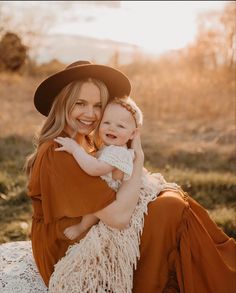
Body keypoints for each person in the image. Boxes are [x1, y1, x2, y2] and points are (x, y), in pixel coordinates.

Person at [0, 60, 235, 293]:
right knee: (169, 209)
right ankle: (218, 276)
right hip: (67, 247)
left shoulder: (87, 140)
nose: (90, 114)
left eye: (98, 105)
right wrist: (139, 156)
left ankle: (214, 271)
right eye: (80, 103)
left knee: (172, 202)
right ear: (63, 104)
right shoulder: (60, 151)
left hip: (89, 228)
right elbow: (118, 218)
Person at [54, 96, 143, 241]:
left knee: (93, 208)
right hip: (103, 189)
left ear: (132, 134)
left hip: (111, 195)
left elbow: (95, 169)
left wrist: (75, 149)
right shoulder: (110, 147)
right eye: (106, 122)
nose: (111, 128)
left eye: (120, 126)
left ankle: (82, 227)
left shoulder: (119, 152)